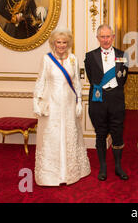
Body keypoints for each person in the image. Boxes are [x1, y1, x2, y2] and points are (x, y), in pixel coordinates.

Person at [33, 27, 90, 186]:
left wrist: (79, 101)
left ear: (68, 43)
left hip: (69, 103)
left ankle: (71, 172)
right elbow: (41, 81)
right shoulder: (46, 59)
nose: (62, 45)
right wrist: (36, 102)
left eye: (64, 42)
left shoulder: (73, 59)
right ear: (53, 43)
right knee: (53, 137)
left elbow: (77, 82)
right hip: (52, 103)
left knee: (69, 135)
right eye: (58, 42)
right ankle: (52, 175)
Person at [84, 24, 129, 181]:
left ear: (113, 37)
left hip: (116, 100)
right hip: (98, 101)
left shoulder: (123, 55)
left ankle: (118, 166)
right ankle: (103, 167)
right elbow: (91, 78)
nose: (105, 39)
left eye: (108, 36)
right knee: (100, 134)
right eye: (102, 36)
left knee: (117, 135)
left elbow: (123, 78)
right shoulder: (90, 57)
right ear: (98, 38)